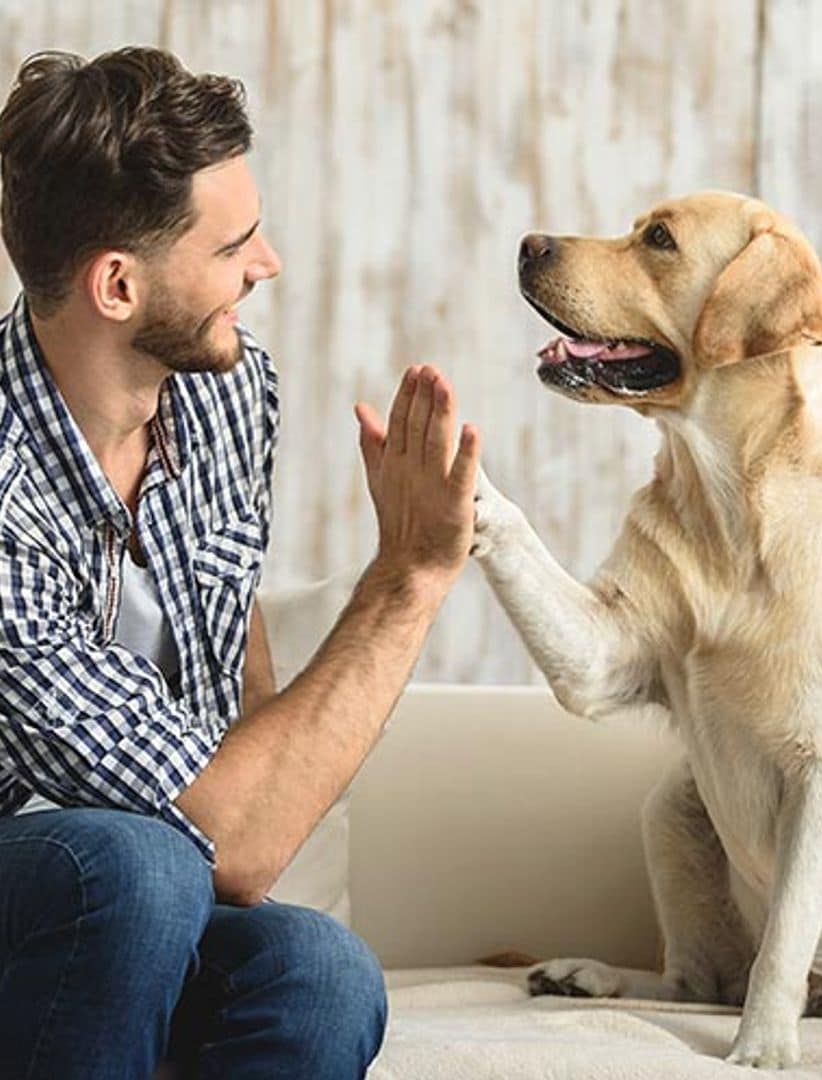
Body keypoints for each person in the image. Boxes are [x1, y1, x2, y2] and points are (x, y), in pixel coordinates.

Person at [0, 46, 479, 1079]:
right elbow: (236, 839)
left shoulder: (226, 391)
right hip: (45, 895)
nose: (267, 268)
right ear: (118, 285)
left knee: (320, 969)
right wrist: (409, 577)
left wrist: (230, 815)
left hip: (152, 889)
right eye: (234, 246)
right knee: (134, 863)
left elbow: (238, 755)